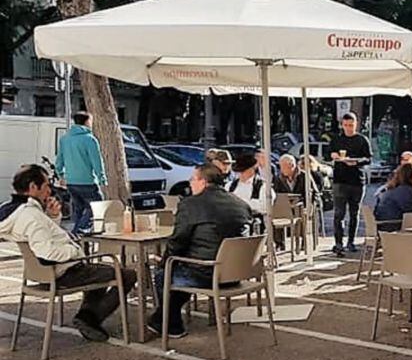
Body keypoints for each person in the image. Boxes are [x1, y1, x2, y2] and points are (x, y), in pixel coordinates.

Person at [0, 164, 136, 343]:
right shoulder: (31, 216)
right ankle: (91, 317)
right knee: (127, 275)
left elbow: (44, 237)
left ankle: (87, 317)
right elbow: (47, 253)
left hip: (43, 273)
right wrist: (74, 250)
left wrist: (53, 216)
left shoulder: (14, 210)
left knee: (98, 272)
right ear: (33, 187)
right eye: (47, 185)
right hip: (62, 272)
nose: (50, 190)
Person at [148, 162, 253, 338]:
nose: (190, 183)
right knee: (175, 268)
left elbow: (177, 242)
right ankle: (163, 319)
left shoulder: (191, 205)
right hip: (236, 272)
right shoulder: (241, 204)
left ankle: (170, 323)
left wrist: (164, 261)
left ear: (203, 182)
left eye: (192, 179)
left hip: (206, 273)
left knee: (163, 273)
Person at [54, 111, 106, 236]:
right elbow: (96, 161)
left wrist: (60, 174)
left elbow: (59, 160)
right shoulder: (90, 139)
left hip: (71, 181)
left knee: (78, 209)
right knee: (97, 206)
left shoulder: (65, 139)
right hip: (87, 181)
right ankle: (77, 232)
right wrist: (102, 177)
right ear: (87, 122)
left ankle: (77, 235)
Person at [329, 112, 371, 256]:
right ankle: (338, 243)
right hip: (340, 180)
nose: (348, 128)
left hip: (357, 181)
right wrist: (333, 155)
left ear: (356, 124)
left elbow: (368, 158)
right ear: (342, 125)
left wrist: (356, 161)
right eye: (346, 125)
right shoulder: (336, 139)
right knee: (339, 213)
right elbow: (328, 154)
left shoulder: (362, 140)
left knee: (354, 213)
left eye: (351, 125)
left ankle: (351, 241)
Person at [373, 163, 412, 230]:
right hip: (395, 228)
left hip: (382, 227)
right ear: (409, 176)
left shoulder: (390, 189)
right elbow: (411, 213)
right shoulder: (407, 191)